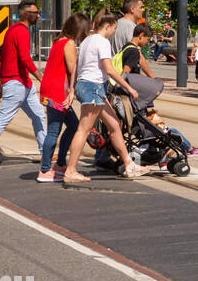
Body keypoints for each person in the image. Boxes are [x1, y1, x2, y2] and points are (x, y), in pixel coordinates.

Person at [62, 14, 148, 182]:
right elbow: (109, 69)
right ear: (108, 25)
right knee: (84, 130)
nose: (114, 32)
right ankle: (70, 170)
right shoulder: (102, 42)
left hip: (91, 87)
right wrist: (129, 87)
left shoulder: (87, 40)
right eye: (114, 28)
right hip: (93, 87)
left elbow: (76, 67)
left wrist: (72, 89)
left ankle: (129, 164)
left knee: (114, 124)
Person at [0, 0, 48, 171]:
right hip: (16, 83)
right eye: (36, 12)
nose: (38, 15)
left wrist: (1, 82)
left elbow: (4, 57)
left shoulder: (12, 30)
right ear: (25, 14)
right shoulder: (21, 31)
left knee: (38, 116)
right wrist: (40, 76)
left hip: (22, 82)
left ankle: (45, 152)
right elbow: (24, 58)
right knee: (3, 119)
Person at [37, 12, 89, 183]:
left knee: (74, 126)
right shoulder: (69, 43)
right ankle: (45, 170)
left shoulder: (59, 41)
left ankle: (60, 164)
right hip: (58, 91)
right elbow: (73, 68)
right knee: (54, 130)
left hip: (51, 88)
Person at [117, 21, 164, 111]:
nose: (147, 43)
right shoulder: (134, 52)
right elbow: (125, 73)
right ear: (141, 35)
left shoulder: (126, 46)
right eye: (147, 39)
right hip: (130, 93)